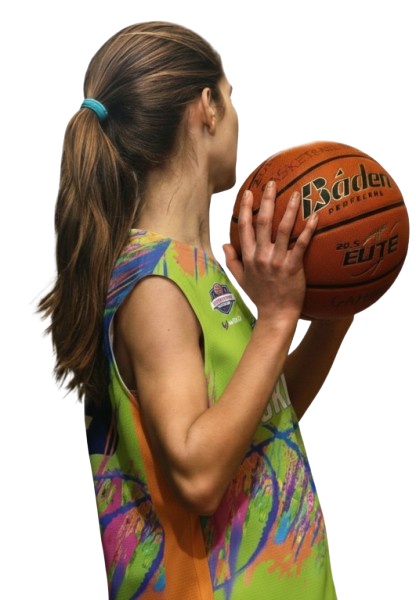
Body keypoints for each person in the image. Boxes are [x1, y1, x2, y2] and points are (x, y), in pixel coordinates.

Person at [32, 21, 354, 599]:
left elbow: (263, 421)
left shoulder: (193, 267)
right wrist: (277, 317)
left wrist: (330, 312)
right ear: (206, 107)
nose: (236, 118)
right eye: (231, 98)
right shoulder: (154, 286)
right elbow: (199, 475)